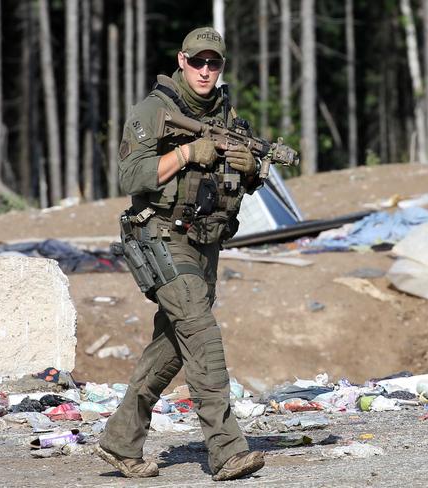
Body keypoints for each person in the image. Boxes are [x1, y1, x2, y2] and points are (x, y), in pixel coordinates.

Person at [97, 26, 265, 482]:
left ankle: (119, 441)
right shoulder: (154, 110)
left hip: (204, 240)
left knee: (173, 346)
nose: (206, 71)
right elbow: (131, 177)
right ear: (182, 61)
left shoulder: (227, 113)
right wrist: (190, 152)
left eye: (215, 63)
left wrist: (250, 169)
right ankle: (228, 451)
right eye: (198, 62)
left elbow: (237, 180)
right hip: (160, 235)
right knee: (202, 335)